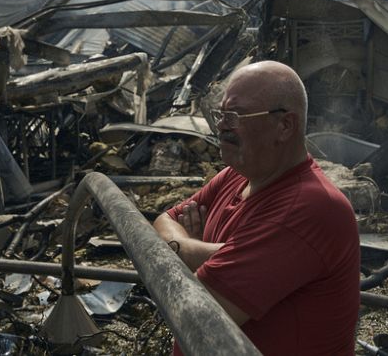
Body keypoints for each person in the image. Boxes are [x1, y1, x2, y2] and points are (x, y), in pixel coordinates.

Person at [154, 60, 360, 355]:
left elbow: (197, 311)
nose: (222, 124)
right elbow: (163, 220)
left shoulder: (310, 208)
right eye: (221, 114)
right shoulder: (236, 175)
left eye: (236, 115)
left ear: (284, 125)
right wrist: (206, 250)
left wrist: (182, 252)